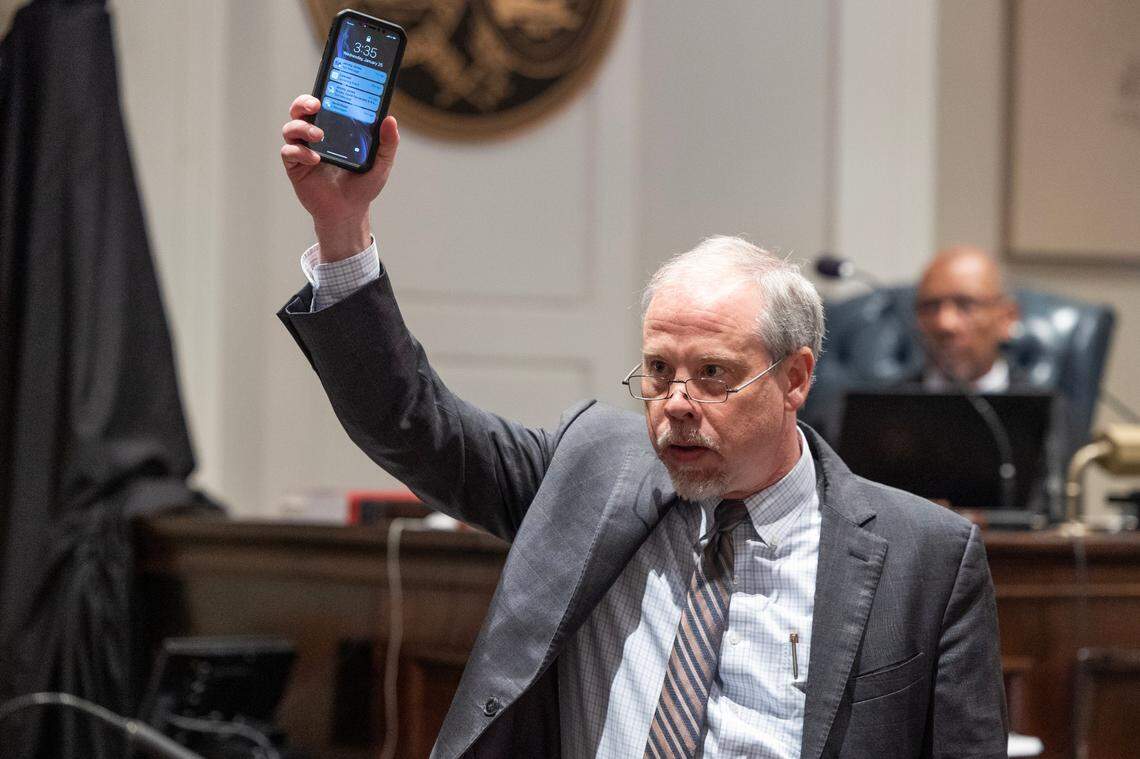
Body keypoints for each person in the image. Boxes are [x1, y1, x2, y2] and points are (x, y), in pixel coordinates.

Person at [277, 95, 1008, 759]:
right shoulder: (592, 468)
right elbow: (409, 422)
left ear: (795, 378)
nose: (678, 402)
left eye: (714, 374)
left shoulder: (926, 560)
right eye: (659, 370)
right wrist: (341, 229)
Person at [912, 246, 1019, 391]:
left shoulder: (1048, 408)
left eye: (966, 305)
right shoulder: (884, 406)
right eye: (931, 306)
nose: (945, 324)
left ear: (1007, 318)